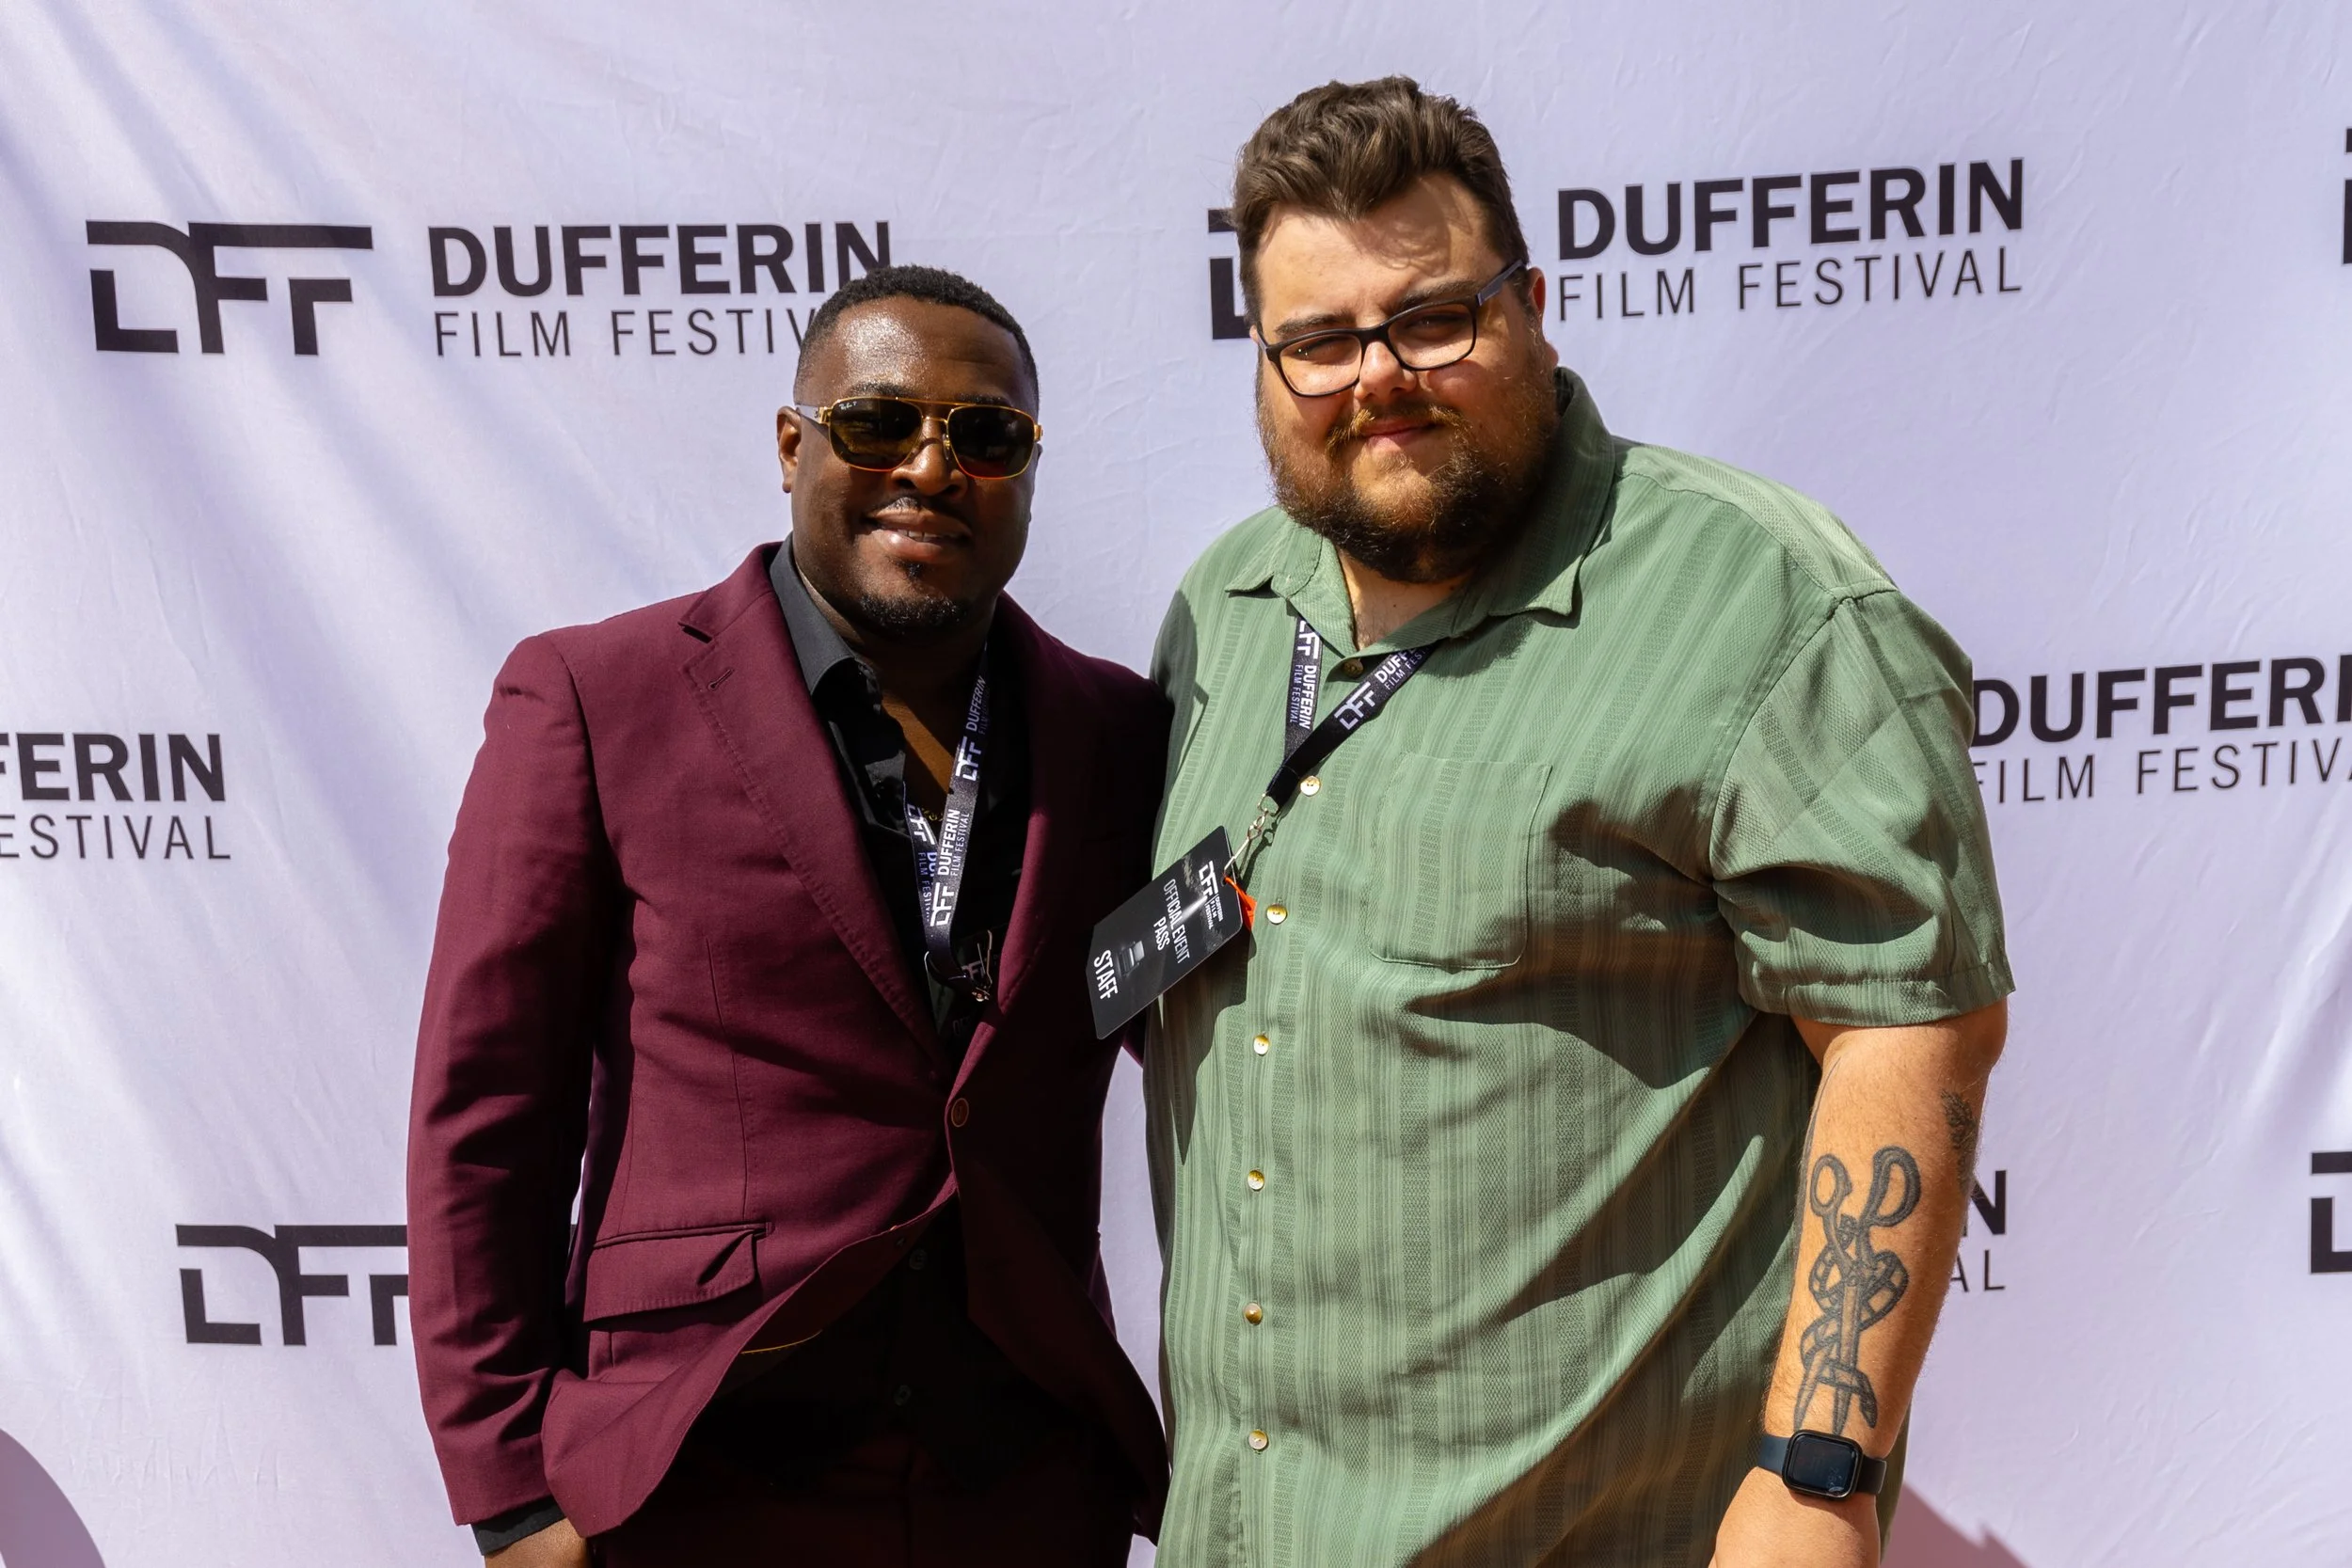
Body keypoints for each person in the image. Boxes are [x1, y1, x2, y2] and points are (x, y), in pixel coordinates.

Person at [1146, 78, 2010, 1567]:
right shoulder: (1223, 610)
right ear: (1263, 360)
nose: (1380, 376)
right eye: (1320, 342)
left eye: (1433, 318)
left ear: (1534, 307)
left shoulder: (1766, 603)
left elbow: (1909, 1022)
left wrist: (1819, 1471)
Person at [407, 263, 1168, 1566]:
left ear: (1030, 468)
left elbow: (1201, 1031)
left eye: (986, 436)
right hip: (699, 1471)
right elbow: (487, 1113)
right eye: (878, 423)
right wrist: (511, 1488)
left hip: (1028, 1487)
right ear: (789, 443)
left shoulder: (1117, 729)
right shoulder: (596, 697)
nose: (932, 468)